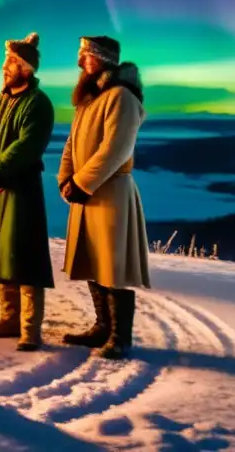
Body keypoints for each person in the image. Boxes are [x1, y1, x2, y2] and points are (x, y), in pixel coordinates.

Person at [59, 36, 150, 360]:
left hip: (110, 193)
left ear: (103, 59)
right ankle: (102, 326)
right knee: (93, 261)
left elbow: (117, 148)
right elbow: (71, 143)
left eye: (86, 56)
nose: (81, 62)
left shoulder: (121, 97)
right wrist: (66, 178)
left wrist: (82, 182)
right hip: (89, 193)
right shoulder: (88, 100)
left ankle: (120, 337)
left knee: (113, 265)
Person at [0, 33, 55, 351]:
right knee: (3, 253)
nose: (4, 68)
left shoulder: (38, 104)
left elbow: (28, 147)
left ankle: (30, 329)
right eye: (5, 62)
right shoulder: (0, 100)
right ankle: (9, 319)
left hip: (22, 193)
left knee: (26, 257)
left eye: (11, 63)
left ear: (26, 68)